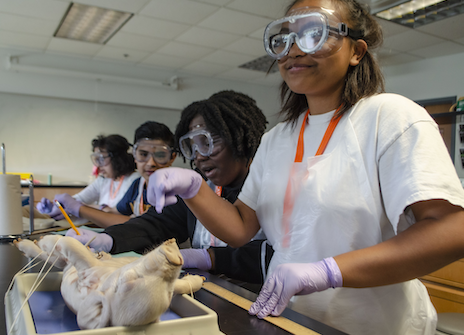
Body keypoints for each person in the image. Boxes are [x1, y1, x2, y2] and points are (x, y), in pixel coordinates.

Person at [144, 1, 464, 334]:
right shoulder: (277, 139)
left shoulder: (390, 117)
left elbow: (452, 230)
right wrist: (194, 188)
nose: (294, 49)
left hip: (380, 325)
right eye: (285, 38)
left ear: (356, 50)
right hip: (296, 321)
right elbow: (241, 226)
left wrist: (329, 271)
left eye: (314, 33)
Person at [67, 90, 272, 284]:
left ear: (241, 140)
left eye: (209, 142)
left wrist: (210, 257)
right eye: (193, 146)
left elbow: (282, 253)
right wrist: (108, 239)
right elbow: (158, 223)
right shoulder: (202, 186)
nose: (200, 155)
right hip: (214, 289)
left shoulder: (271, 185)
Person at [41, 122, 177, 228]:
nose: (151, 163)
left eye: (160, 155)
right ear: (135, 155)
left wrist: (80, 209)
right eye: (143, 154)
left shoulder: (176, 191)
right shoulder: (138, 185)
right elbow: (113, 213)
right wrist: (61, 207)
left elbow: (143, 225)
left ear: (172, 157)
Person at [37, 134, 139, 220]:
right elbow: (78, 200)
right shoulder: (103, 180)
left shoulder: (134, 180)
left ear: (118, 158)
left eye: (102, 159)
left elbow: (120, 212)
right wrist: (56, 205)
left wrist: (82, 207)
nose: (98, 165)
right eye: (96, 159)